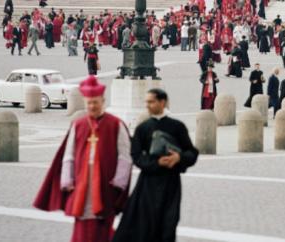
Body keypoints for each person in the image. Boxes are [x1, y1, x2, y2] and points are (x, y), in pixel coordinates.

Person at [33, 75, 132, 242]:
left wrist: (118, 183)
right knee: (81, 227)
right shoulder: (78, 125)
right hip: (82, 184)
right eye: (89, 103)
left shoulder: (116, 124)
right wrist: (67, 181)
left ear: (103, 101)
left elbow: (125, 157)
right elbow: (69, 155)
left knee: (103, 228)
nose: (92, 106)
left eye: (95, 102)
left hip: (106, 185)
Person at [113, 88, 199, 242]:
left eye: (151, 102)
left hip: (170, 183)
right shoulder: (143, 128)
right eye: (146, 102)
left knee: (168, 224)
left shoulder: (177, 127)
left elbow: (192, 153)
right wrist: (155, 163)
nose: (147, 105)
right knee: (144, 225)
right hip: (147, 185)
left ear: (162, 102)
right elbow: (136, 155)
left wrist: (178, 158)